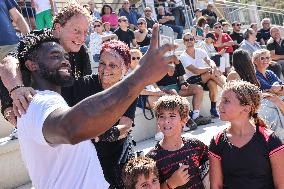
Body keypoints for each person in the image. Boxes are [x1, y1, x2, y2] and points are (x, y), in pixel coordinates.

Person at [15, 22, 179, 188]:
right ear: (31, 65)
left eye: (65, 56)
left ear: (124, 69)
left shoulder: (51, 99)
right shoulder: (40, 102)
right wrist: (141, 75)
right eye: (54, 56)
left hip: (114, 156)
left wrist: (109, 132)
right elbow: (71, 128)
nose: (65, 61)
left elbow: (125, 125)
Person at [0, 3, 92, 126]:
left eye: (85, 32)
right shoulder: (36, 41)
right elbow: (8, 62)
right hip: (35, 114)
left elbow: (85, 85)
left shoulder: (81, 51)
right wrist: (14, 95)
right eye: (76, 30)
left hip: (66, 116)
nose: (82, 38)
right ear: (58, 28)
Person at [73, 40, 137, 188]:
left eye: (113, 65)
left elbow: (125, 126)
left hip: (118, 148)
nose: (105, 69)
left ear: (125, 69)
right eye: (102, 63)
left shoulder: (128, 90)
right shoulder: (84, 84)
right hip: (88, 150)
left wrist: (103, 133)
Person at [209, 80, 284, 189]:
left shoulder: (270, 140)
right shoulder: (217, 140)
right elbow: (216, 185)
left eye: (226, 101)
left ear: (246, 109)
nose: (220, 105)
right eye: (221, 100)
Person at [146, 95, 209, 189]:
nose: (166, 121)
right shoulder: (152, 159)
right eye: (162, 116)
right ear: (158, 121)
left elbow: (213, 164)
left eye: (172, 116)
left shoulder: (196, 146)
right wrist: (171, 183)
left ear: (184, 120)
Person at [227, 49, 284, 142]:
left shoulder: (251, 73)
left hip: (253, 100)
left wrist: (263, 94)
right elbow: (236, 94)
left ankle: (278, 138)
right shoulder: (234, 74)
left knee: (274, 102)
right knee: (272, 107)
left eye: (267, 58)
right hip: (242, 105)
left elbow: (254, 91)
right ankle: (277, 139)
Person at [180, 33, 226, 118]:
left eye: (191, 39)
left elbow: (209, 60)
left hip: (205, 77)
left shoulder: (200, 51)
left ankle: (213, 109)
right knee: (210, 73)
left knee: (212, 83)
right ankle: (229, 90)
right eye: (187, 40)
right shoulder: (183, 56)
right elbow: (195, 70)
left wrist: (213, 66)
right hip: (191, 80)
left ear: (194, 40)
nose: (189, 41)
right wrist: (210, 68)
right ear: (184, 42)